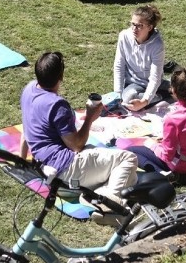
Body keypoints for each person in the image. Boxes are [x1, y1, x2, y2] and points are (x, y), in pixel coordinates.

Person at [19, 52, 138, 212]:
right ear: (61, 76)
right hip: (66, 172)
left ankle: (94, 192)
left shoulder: (28, 89)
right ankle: (107, 203)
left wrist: (21, 162)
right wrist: (89, 118)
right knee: (128, 159)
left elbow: (25, 129)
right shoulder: (57, 105)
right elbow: (76, 145)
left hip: (44, 169)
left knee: (131, 177)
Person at [125, 66, 186, 175]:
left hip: (182, 166)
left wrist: (152, 144)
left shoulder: (173, 119)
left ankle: (163, 174)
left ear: (173, 91)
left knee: (131, 150)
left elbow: (167, 155)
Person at [113, 5, 169, 112]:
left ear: (150, 27)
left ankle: (161, 95)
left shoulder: (157, 45)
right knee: (127, 99)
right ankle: (163, 95)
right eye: (133, 24)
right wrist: (117, 94)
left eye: (139, 26)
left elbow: (155, 77)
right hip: (133, 83)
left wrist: (145, 101)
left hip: (153, 82)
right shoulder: (124, 36)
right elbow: (119, 65)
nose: (134, 29)